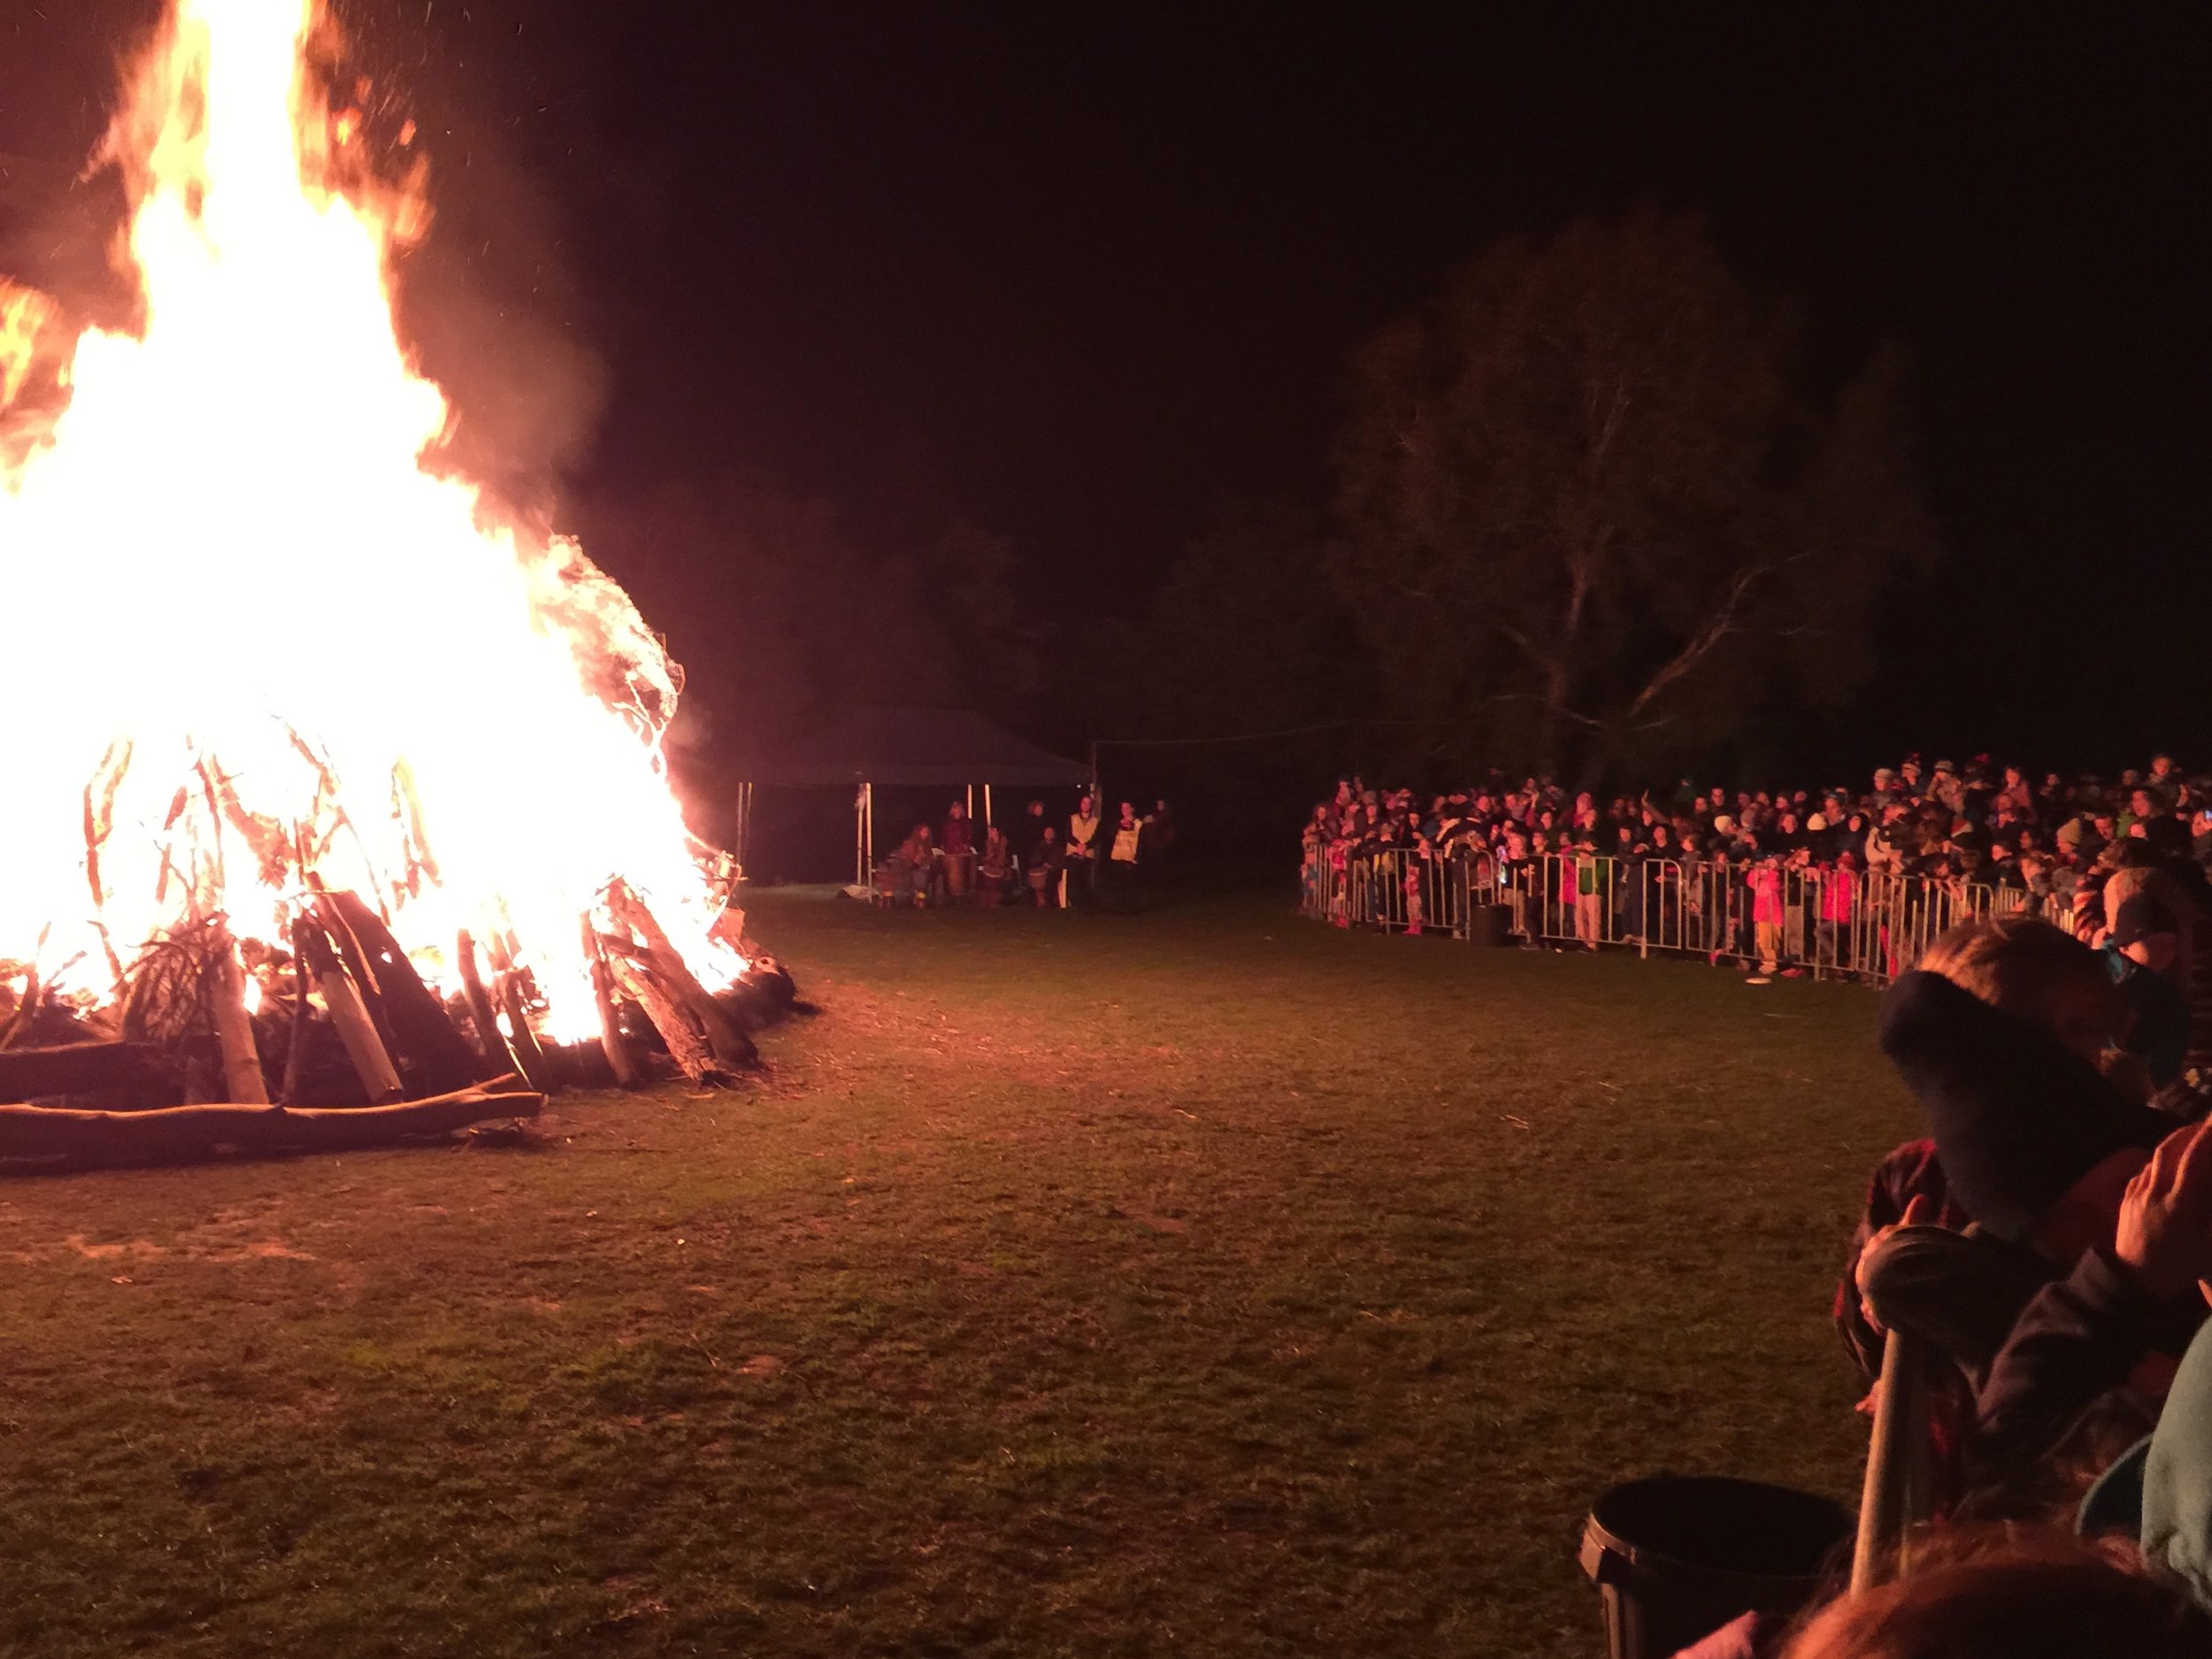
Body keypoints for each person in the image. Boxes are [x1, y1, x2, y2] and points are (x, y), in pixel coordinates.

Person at [1103, 800, 1144, 911]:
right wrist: (1119, 824)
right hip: (1117, 856)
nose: (1124, 810)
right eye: (1122, 808)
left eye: (1127, 807)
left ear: (1132, 809)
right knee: (1119, 883)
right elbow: (1110, 835)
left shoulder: (1138, 823)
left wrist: (1137, 857)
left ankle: (1131, 908)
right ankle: (1119, 906)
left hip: (1130, 857)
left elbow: (1141, 841)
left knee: (1130, 884)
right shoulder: (1118, 823)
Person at [1065, 793, 1102, 906]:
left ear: (1091, 805)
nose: (1086, 805)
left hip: (1087, 855)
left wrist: (1085, 846)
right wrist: (1078, 845)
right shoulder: (1072, 818)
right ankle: (1073, 902)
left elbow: (1096, 837)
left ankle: (1086, 904)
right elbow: (1067, 835)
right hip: (1073, 853)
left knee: (1085, 881)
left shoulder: (1095, 821)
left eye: (1088, 803)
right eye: (1084, 802)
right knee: (1074, 880)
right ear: (1081, 804)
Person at [1028, 825, 1065, 908]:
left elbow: (1062, 861)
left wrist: (1052, 866)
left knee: (1051, 879)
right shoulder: (1039, 846)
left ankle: (1050, 902)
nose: (1049, 834)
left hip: (1054, 871)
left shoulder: (1058, 847)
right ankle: (1038, 902)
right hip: (1042, 869)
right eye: (1047, 832)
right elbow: (1033, 859)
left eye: (1051, 832)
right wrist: (1042, 864)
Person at [977, 823, 1012, 907]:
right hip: (989, 866)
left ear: (997, 832)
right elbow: (981, 858)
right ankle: (987, 901)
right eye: (990, 831)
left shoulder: (1006, 843)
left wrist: (1001, 862)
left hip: (1002, 867)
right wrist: (988, 858)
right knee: (983, 877)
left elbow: (1009, 858)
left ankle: (996, 900)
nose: (990, 832)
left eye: (992, 830)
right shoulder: (986, 844)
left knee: (999, 879)